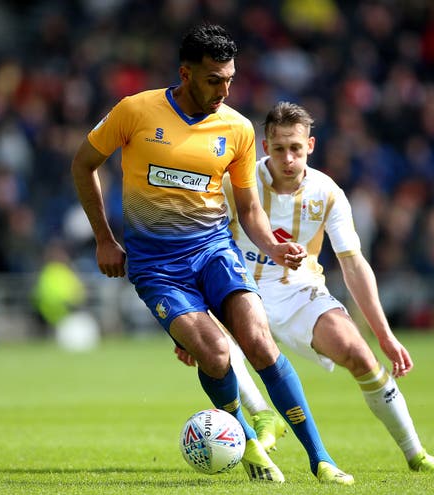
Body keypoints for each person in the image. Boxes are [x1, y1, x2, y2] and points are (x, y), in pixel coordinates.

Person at [71, 23, 353, 484]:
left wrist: (274, 247)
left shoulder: (238, 129)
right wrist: (103, 237)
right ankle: (246, 441)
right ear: (185, 74)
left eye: (230, 79)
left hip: (213, 252)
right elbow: (82, 164)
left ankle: (321, 459)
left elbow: (248, 209)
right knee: (217, 355)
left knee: (260, 344)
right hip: (157, 268)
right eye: (213, 79)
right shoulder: (135, 111)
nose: (224, 89)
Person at [176, 101, 434, 474]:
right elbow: (196, 246)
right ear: (265, 148)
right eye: (279, 149)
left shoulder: (327, 193)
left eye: (295, 148)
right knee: (218, 352)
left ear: (310, 145)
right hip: (237, 290)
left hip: (298, 292)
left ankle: (416, 455)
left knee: (359, 354)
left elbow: (354, 264)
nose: (288, 158)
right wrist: (186, 330)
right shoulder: (235, 184)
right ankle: (262, 417)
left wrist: (385, 335)